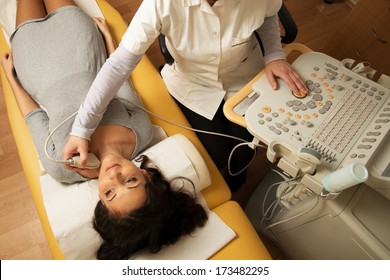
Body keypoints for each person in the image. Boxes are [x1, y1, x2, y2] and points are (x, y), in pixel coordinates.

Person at [1, 0, 207, 259]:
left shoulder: (62, 167)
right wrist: (110, 41)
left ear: (100, 199)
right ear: (146, 176)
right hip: (83, 49)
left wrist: (11, 79)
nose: (114, 177)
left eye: (110, 193)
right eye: (130, 181)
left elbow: (33, 117)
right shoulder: (140, 133)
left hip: (34, 63)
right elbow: (121, 83)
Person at [63, 0, 308, 192]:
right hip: (193, 83)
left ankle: (236, 188)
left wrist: (274, 55)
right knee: (216, 154)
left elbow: (267, 15)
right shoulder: (162, 3)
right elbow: (118, 66)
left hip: (244, 76)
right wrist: (82, 128)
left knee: (244, 152)